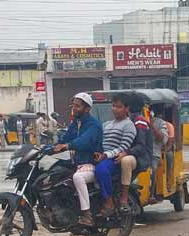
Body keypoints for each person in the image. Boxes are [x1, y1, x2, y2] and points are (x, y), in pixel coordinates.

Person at [53, 93, 104, 226]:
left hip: (91, 164)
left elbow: (84, 141)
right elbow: (65, 137)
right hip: (77, 163)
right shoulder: (76, 123)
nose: (74, 108)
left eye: (77, 106)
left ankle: (87, 215)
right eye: (73, 105)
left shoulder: (94, 125)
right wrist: (49, 147)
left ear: (86, 109)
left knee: (78, 178)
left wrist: (67, 146)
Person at [93, 95, 137, 216]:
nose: (115, 109)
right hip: (102, 156)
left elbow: (123, 147)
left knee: (101, 171)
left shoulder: (129, 125)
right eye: (113, 106)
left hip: (114, 159)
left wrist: (106, 155)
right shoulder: (106, 124)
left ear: (127, 109)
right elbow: (100, 141)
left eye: (119, 107)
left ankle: (109, 203)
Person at [152, 110, 176, 193]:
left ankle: (168, 179)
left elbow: (169, 143)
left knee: (169, 156)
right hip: (154, 149)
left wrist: (164, 151)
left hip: (165, 148)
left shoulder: (168, 125)